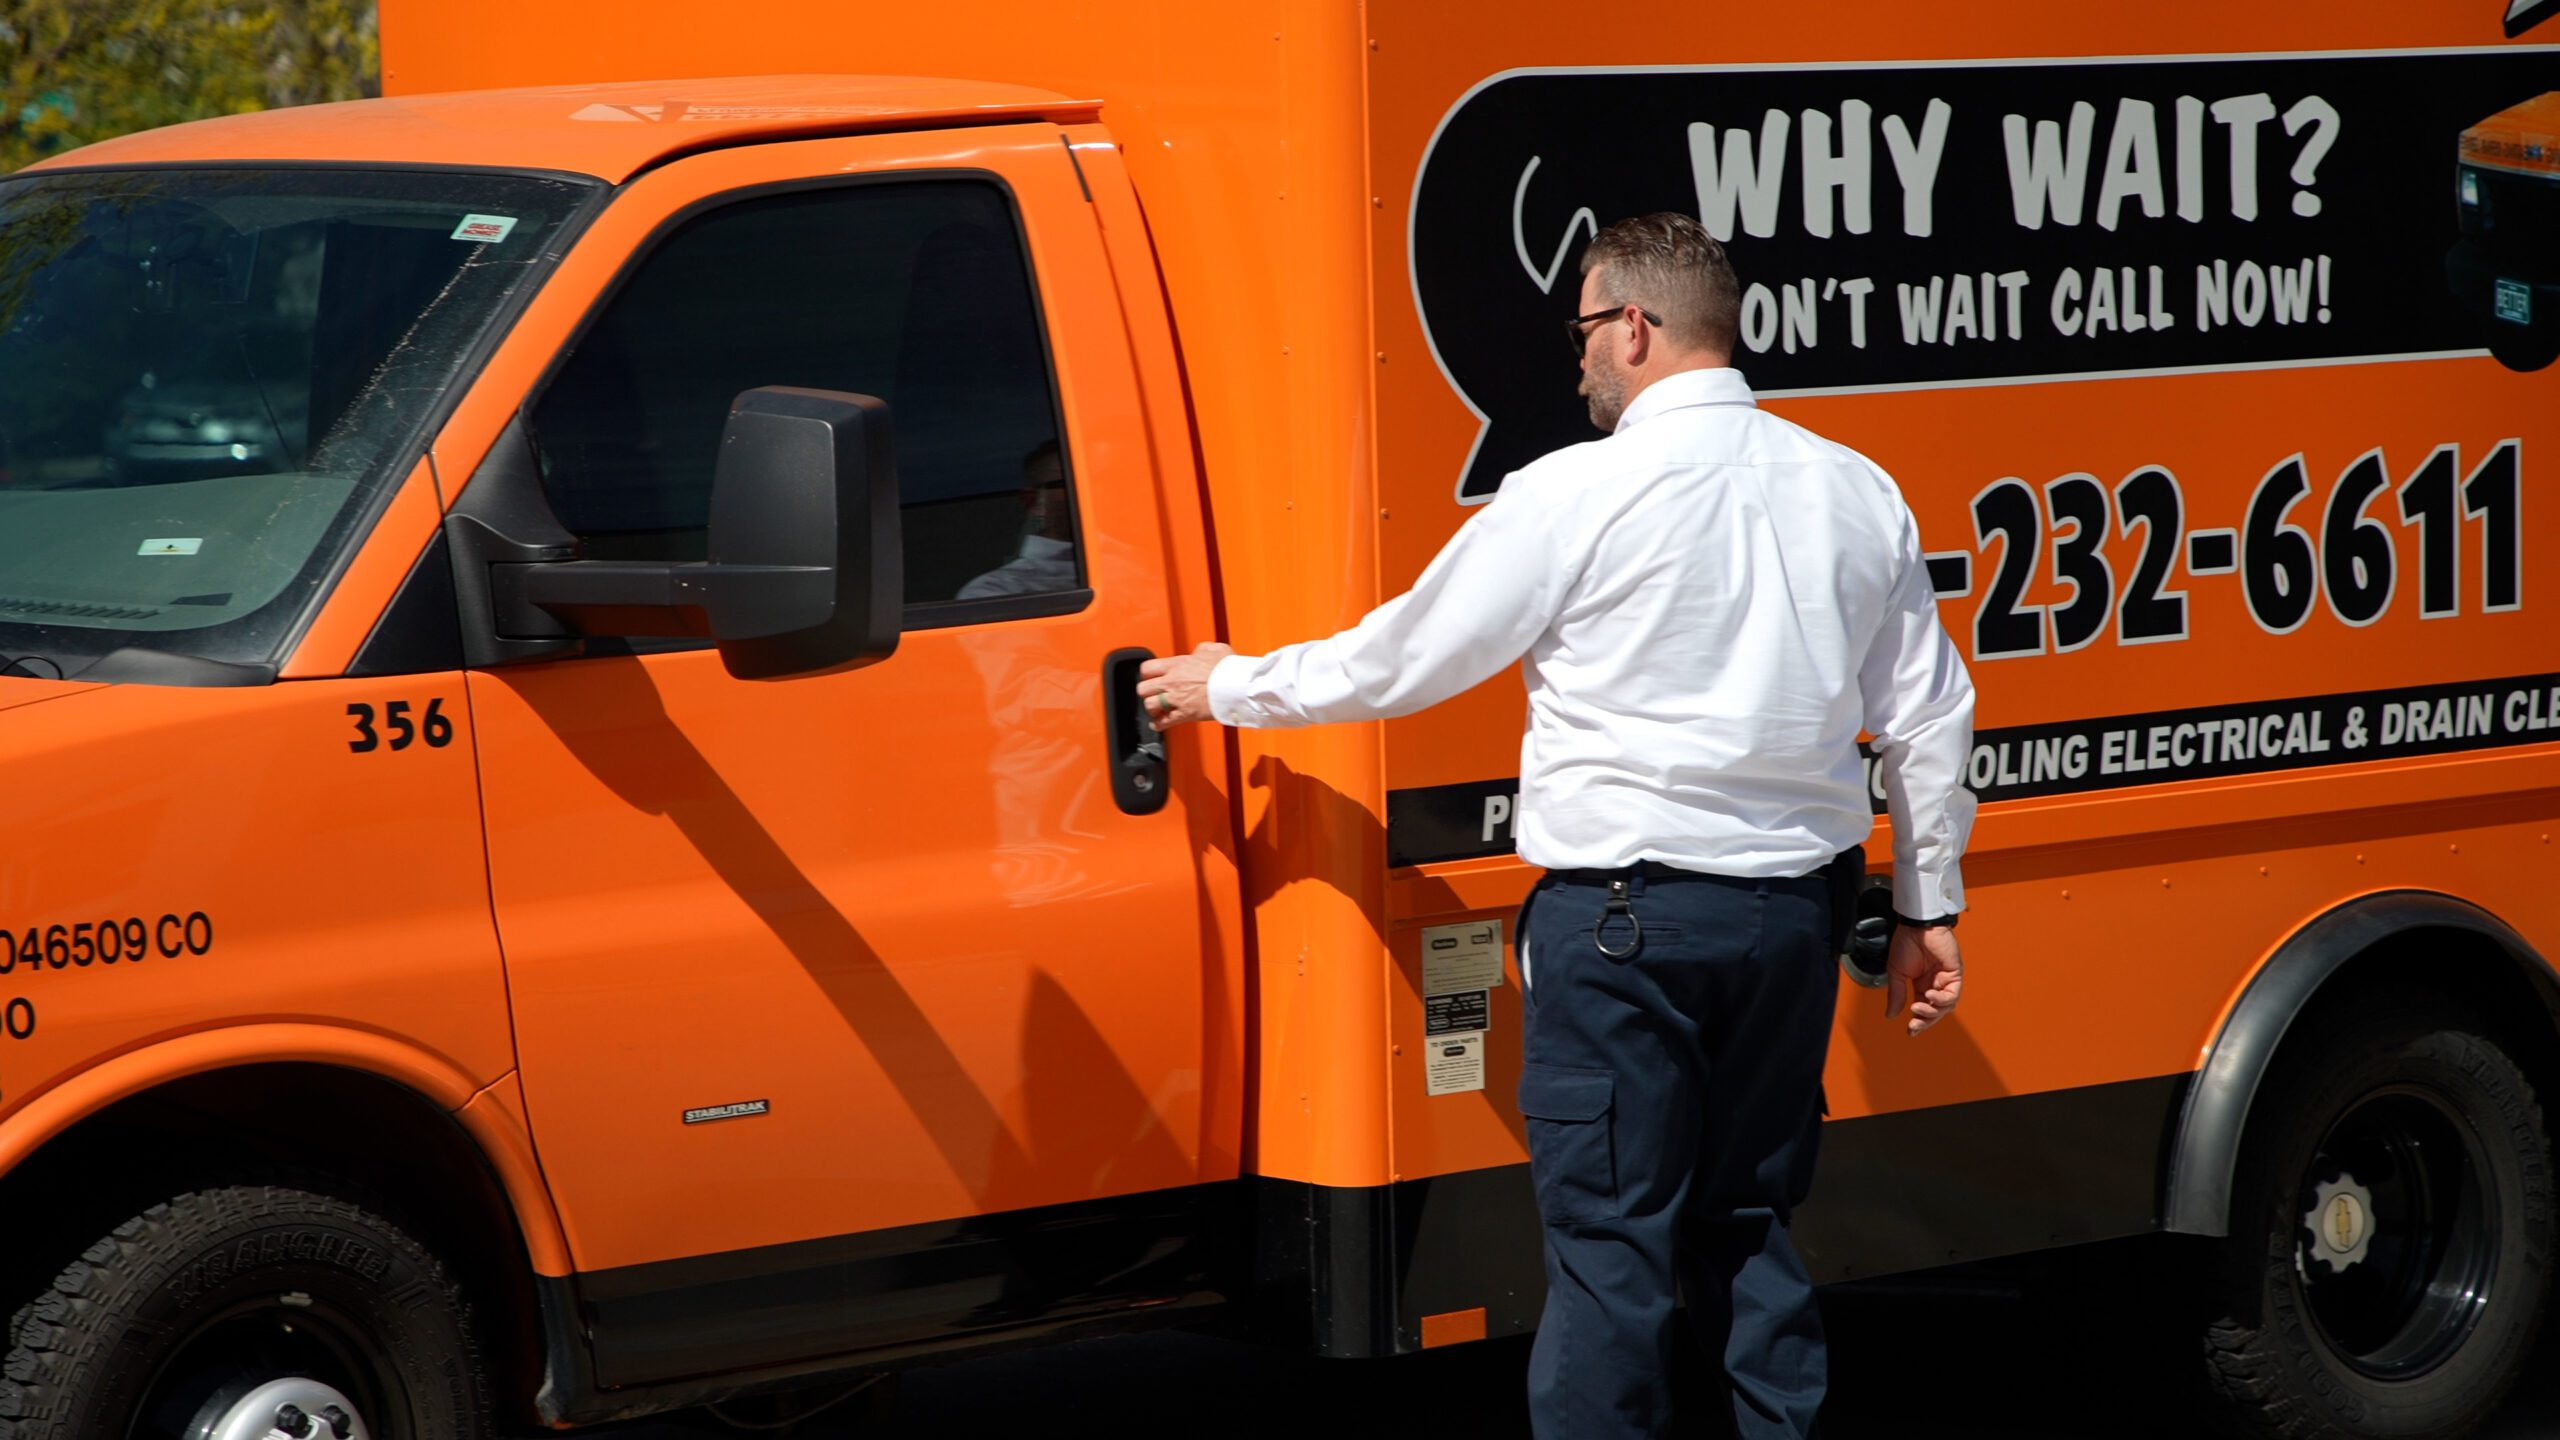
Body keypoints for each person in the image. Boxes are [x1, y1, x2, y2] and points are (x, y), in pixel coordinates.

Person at [1138, 212, 1975, 1439]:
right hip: (1792, 921)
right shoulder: (1855, 490)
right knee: (1747, 1227)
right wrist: (1927, 908)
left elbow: (1405, 659)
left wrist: (1231, 687)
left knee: (1608, 1254)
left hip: (1625, 927)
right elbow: (1931, 718)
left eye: (1584, 327)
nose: (1575, 355)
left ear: (1635, 327)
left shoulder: (1574, 493)